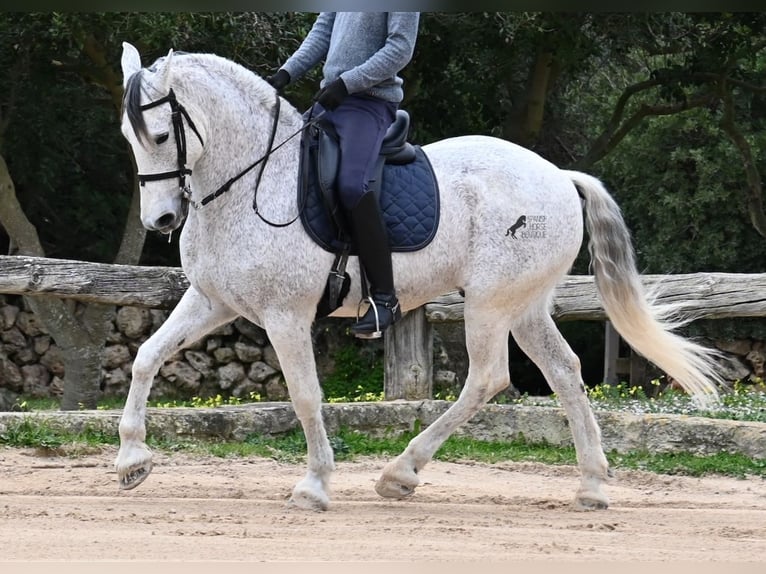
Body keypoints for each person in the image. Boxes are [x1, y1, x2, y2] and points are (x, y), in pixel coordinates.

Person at [267, 12, 420, 339]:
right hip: (331, 103)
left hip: (369, 105)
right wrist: (285, 74)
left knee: (352, 186)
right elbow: (322, 33)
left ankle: (384, 299)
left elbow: (399, 50)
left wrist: (347, 82)